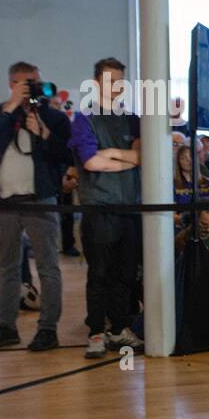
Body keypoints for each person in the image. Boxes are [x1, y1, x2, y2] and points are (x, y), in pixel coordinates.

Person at [0, 61, 71, 352]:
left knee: (48, 267)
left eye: (36, 82)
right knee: (7, 267)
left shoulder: (52, 117)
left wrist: (43, 133)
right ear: (12, 84)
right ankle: (7, 327)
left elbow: (66, 155)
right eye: (26, 83)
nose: (33, 88)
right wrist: (12, 105)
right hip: (2, 202)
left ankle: (48, 330)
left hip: (40, 201)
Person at [68, 57, 144, 358]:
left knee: (126, 273)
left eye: (120, 80)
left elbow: (142, 158)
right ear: (97, 82)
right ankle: (96, 332)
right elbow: (90, 161)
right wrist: (126, 159)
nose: (116, 86)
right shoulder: (84, 118)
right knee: (99, 273)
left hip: (129, 208)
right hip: (98, 207)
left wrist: (111, 153)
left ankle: (119, 329)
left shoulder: (132, 119)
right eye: (110, 80)